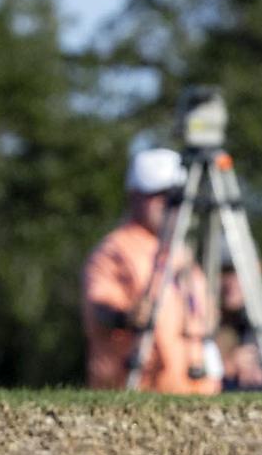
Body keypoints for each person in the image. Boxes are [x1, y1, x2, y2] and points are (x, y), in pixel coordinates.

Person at [81, 148, 216, 393]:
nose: (171, 205)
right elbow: (99, 308)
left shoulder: (180, 251)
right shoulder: (116, 250)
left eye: (176, 196)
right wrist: (126, 317)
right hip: (136, 392)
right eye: (161, 196)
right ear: (135, 198)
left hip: (194, 392)